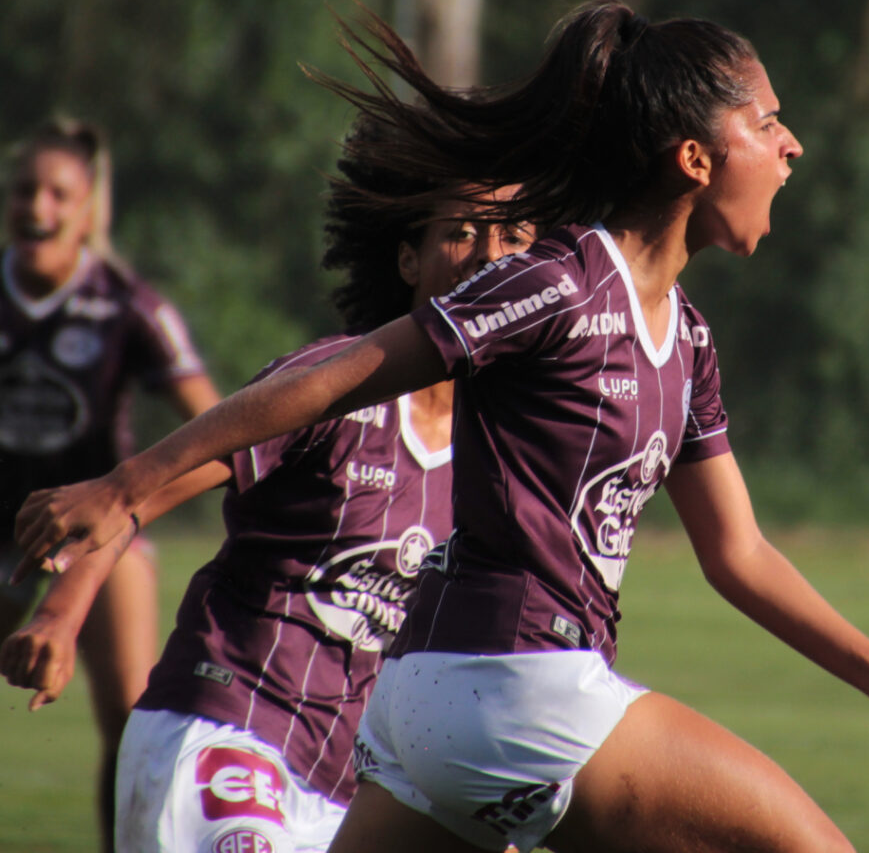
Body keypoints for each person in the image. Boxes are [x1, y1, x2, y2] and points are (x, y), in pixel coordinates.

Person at [14, 3, 869, 853]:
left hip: (423, 714)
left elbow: (736, 551)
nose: (791, 145)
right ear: (695, 158)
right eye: (769, 121)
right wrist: (126, 489)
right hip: (519, 683)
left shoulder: (687, 337)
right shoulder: (561, 281)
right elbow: (336, 375)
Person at [2, 131, 537, 852]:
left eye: (512, 234)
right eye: (461, 232)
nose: (488, 252)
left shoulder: (509, 455)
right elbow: (133, 501)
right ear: (409, 258)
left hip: (350, 792)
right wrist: (62, 615)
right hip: (222, 734)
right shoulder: (336, 384)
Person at [0, 117, 220, 851]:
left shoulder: (129, 304)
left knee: (131, 719)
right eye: (25, 189)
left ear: (89, 206)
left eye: (58, 193)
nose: (39, 208)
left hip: (98, 532)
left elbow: (214, 426)